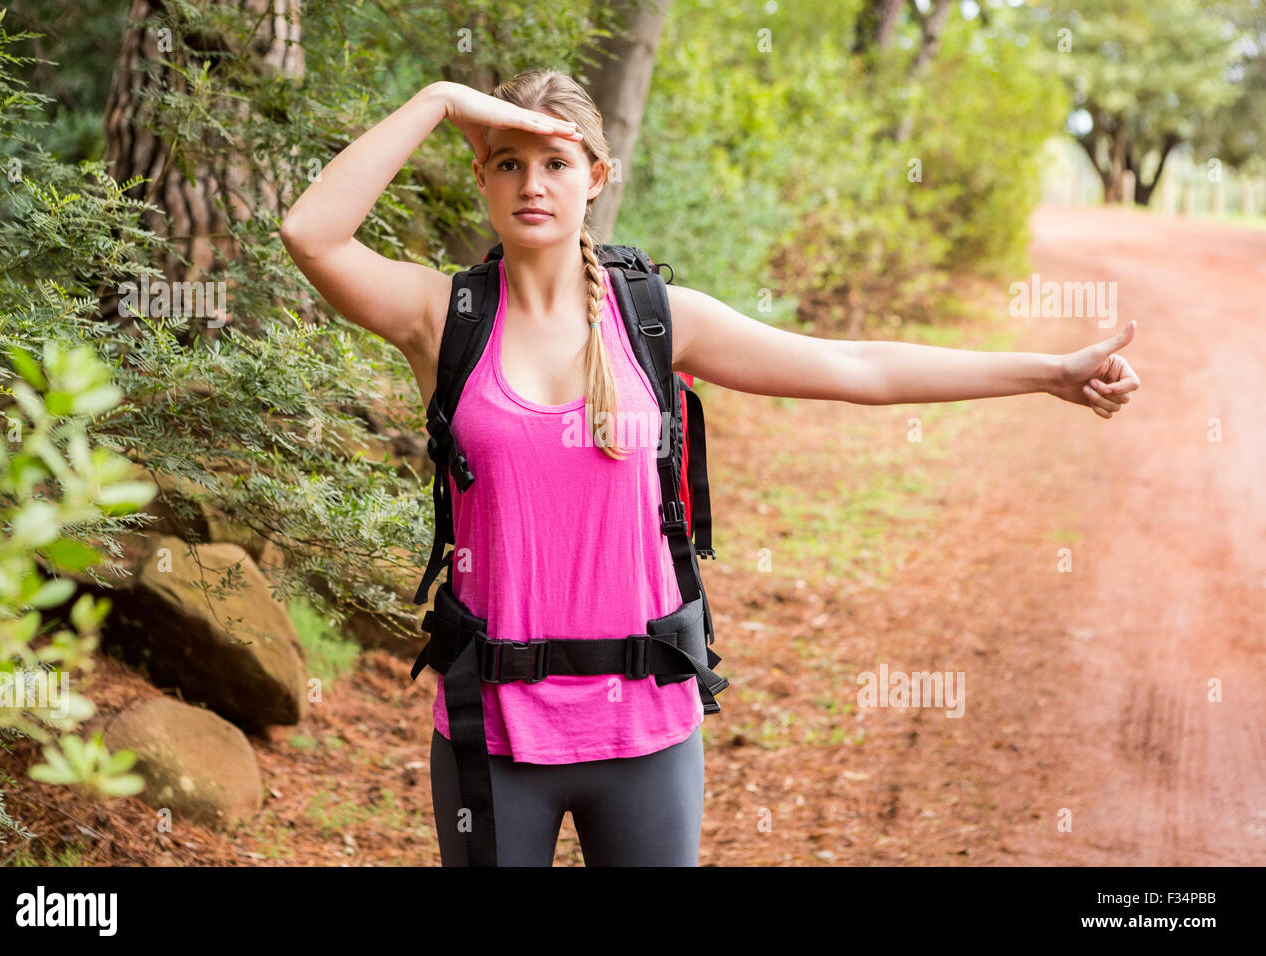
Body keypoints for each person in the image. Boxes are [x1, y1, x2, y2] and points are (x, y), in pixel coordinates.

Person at [278, 69, 1141, 867]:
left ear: (598, 175)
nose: (531, 185)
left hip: (648, 726)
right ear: (482, 176)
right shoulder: (445, 316)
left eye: (555, 161)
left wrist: (1047, 372)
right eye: (507, 162)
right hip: (494, 732)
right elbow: (310, 233)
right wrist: (439, 101)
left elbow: (856, 371)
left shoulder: (657, 318)